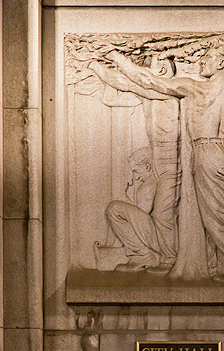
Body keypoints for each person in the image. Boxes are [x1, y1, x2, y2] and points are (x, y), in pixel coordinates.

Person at [105, 44, 224, 284]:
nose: (202, 61)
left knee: (217, 217)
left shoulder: (197, 89)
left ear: (222, 63)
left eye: (208, 57)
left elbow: (149, 81)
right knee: (223, 213)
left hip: (207, 153)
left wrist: (116, 57)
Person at [88, 56, 181, 273]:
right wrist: (101, 72)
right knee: (146, 213)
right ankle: (142, 255)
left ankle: (168, 260)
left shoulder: (167, 95)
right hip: (158, 164)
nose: (155, 66)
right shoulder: (150, 97)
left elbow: (129, 83)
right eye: (151, 64)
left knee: (162, 215)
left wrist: (101, 65)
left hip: (171, 165)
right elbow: (118, 92)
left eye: (160, 63)